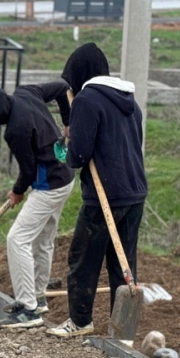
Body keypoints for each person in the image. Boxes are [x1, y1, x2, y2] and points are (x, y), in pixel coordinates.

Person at [48, 43, 147, 338]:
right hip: (134, 192)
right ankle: (123, 332)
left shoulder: (86, 100)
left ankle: (80, 321)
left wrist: (69, 142)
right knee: (122, 262)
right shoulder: (130, 102)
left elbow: (78, 157)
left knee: (83, 260)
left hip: (106, 195)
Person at [0, 80, 74, 329]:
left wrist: (17, 191)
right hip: (65, 176)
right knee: (43, 241)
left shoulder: (16, 130)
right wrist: (68, 122)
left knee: (17, 239)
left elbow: (28, 170)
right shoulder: (27, 92)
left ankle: (28, 309)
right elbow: (62, 87)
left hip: (49, 186)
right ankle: (38, 297)